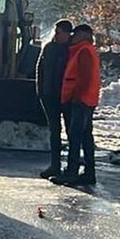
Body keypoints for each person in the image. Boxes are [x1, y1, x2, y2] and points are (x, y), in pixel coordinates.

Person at [53, 23, 101, 187]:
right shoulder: (85, 50)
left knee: (75, 137)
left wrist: (76, 97)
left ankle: (71, 172)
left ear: (83, 35)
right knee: (85, 137)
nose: (72, 36)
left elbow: (84, 77)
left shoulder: (84, 50)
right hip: (87, 99)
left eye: (76, 33)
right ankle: (89, 172)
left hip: (80, 100)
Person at [35, 20, 74, 179]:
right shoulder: (49, 48)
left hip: (66, 97)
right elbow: (40, 69)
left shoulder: (72, 50)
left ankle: (71, 167)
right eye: (55, 32)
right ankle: (55, 165)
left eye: (59, 33)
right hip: (49, 95)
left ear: (67, 34)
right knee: (54, 132)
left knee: (72, 133)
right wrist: (41, 91)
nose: (56, 36)